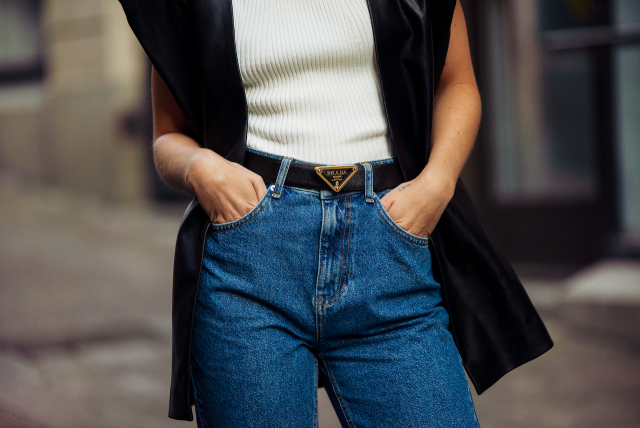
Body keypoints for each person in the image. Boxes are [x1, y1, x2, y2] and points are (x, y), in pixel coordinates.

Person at [119, 0, 553, 425]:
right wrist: (200, 167)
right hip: (249, 259)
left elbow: (455, 83)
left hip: (388, 250)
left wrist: (437, 183)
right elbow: (168, 135)